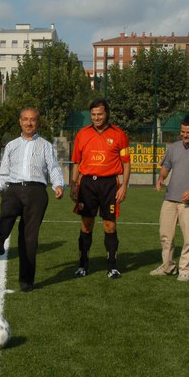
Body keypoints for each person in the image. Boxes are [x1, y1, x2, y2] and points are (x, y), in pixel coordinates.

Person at [0, 107, 65, 292]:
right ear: (20, 121)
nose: (29, 123)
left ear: (38, 122)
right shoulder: (11, 146)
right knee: (8, 210)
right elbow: (3, 173)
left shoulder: (45, 145)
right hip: (13, 188)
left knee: (29, 238)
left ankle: (26, 281)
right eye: (25, 119)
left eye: (33, 119)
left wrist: (58, 185)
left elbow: (53, 167)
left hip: (37, 191)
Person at [69, 98, 131, 279]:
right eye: (93, 114)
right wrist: (73, 184)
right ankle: (83, 265)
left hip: (109, 184)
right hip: (87, 184)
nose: (96, 118)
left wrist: (124, 186)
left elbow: (126, 163)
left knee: (109, 225)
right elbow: (76, 162)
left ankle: (112, 267)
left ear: (107, 114)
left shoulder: (119, 134)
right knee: (86, 224)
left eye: (100, 114)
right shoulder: (82, 134)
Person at [150, 114, 189, 282]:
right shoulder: (174, 147)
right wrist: (161, 178)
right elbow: (166, 166)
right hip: (170, 198)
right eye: (183, 131)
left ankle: (185, 270)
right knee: (165, 235)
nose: (185, 135)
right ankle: (168, 267)